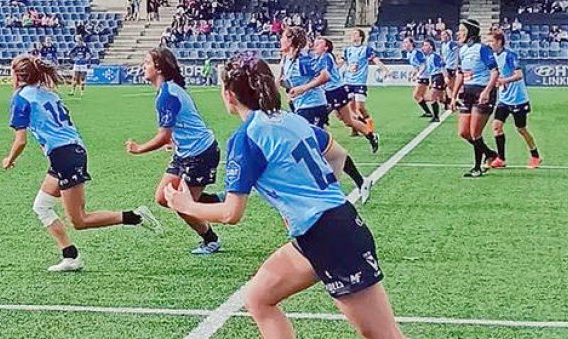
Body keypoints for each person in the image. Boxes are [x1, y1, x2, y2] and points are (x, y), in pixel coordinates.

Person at [165, 54, 404, 339]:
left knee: (385, 336)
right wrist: (318, 196)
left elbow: (232, 213)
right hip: (324, 230)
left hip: (329, 236)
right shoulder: (291, 120)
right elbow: (338, 155)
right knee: (258, 298)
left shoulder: (247, 137)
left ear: (228, 95)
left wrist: (186, 205)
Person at [1, 56, 161, 273]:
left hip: (64, 155)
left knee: (80, 220)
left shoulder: (21, 98)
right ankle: (70, 256)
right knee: (41, 206)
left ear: (17, 75)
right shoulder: (47, 93)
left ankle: (136, 216)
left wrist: (9, 159)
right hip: (69, 152)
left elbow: (20, 140)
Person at [126, 48, 223, 255]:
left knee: (181, 204)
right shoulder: (167, 90)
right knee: (163, 197)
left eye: (147, 62)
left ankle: (211, 240)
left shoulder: (167, 94)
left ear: (158, 67)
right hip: (184, 153)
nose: (144, 67)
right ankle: (215, 199)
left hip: (200, 154)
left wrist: (138, 149)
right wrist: (175, 141)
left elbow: (163, 136)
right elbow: (175, 129)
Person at [279, 28, 372, 201]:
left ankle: (327, 187)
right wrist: (283, 84)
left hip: (314, 106)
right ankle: (358, 181)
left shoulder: (304, 59)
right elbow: (291, 83)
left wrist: (302, 88)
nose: (280, 39)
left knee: (315, 147)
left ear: (291, 41)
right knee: (319, 147)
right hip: (301, 106)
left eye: (283, 37)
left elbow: (325, 76)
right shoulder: (287, 59)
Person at [309, 36, 379, 153]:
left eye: (319, 44)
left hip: (335, 91)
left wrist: (310, 84)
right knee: (346, 120)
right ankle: (370, 135)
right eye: (315, 43)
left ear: (326, 47)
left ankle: (321, 147)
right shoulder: (319, 58)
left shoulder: (326, 57)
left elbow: (324, 76)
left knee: (321, 118)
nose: (315, 45)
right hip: (330, 92)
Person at [486, 30, 541, 170]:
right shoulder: (491, 57)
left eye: (491, 41)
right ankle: (501, 159)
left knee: (521, 129)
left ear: (499, 42)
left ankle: (535, 155)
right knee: (496, 127)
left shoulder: (510, 55)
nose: (489, 44)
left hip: (518, 99)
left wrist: (504, 80)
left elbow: (519, 75)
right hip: (504, 99)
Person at [453, 19, 500, 178]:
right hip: (467, 92)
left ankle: (477, 167)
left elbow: (494, 72)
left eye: (461, 30)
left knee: (474, 132)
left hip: (482, 92)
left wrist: (487, 91)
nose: (458, 33)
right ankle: (489, 153)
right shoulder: (462, 50)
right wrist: (453, 96)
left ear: (470, 32)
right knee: (463, 132)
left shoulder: (483, 49)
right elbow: (460, 73)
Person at [340, 29, 385, 135]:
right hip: (348, 81)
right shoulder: (348, 50)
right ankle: (355, 129)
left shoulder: (366, 49)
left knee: (360, 107)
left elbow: (375, 60)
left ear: (360, 37)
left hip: (360, 82)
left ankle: (369, 126)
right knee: (351, 107)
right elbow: (341, 62)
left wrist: (384, 69)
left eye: (355, 34)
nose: (352, 35)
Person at [439, 29, 460, 111]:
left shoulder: (451, 44)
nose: (442, 36)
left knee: (450, 86)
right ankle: (451, 102)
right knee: (448, 85)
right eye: (441, 35)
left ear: (448, 36)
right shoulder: (442, 45)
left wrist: (457, 65)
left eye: (444, 35)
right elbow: (442, 56)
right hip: (446, 67)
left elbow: (457, 53)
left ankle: (451, 102)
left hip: (452, 67)